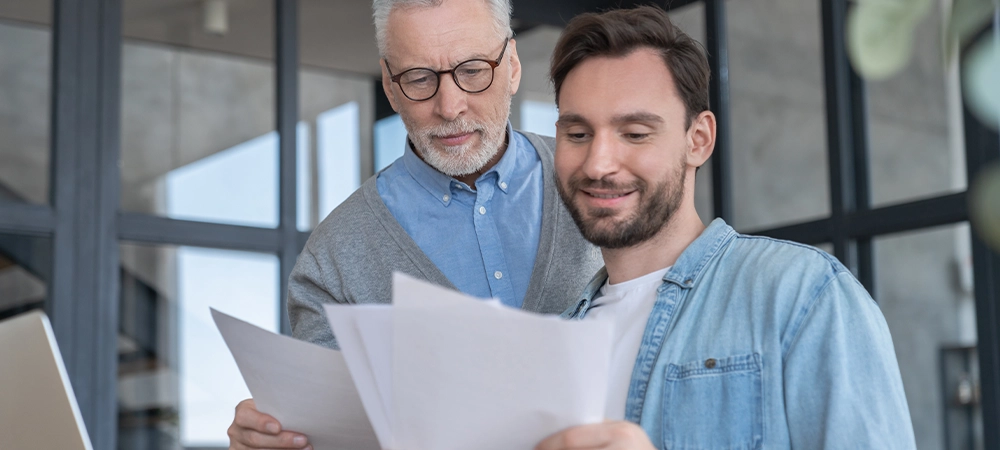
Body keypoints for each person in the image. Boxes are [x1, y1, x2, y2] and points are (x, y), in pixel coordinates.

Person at [534, 6, 916, 449]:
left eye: (635, 134)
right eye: (578, 135)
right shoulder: (558, 343)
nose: (598, 164)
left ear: (698, 140)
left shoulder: (801, 294)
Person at [226, 0, 602, 448]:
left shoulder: (599, 183)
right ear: (389, 85)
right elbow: (328, 436)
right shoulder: (333, 259)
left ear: (513, 66)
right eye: (420, 79)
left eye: (473, 69)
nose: (450, 106)